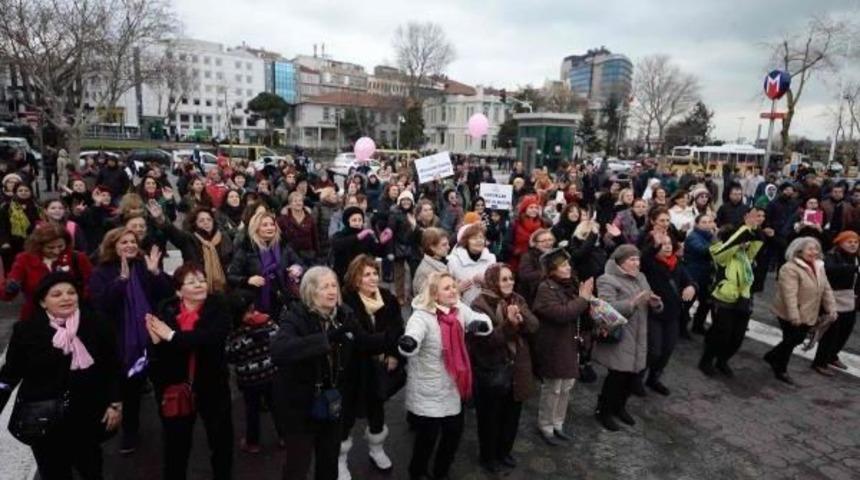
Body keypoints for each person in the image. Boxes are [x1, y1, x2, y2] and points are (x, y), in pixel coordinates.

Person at [0, 272, 122, 480]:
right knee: (54, 473)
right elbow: (10, 374)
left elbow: (112, 366)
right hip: (44, 420)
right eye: (56, 294)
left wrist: (115, 403)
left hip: (88, 415)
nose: (66, 298)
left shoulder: (97, 324)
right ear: (43, 302)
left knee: (92, 470)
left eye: (71, 293)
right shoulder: (27, 331)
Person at [270, 266, 381, 480]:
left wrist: (394, 341)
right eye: (324, 287)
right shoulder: (295, 316)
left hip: (331, 402)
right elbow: (279, 351)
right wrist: (329, 338)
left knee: (329, 460)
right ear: (310, 291)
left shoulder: (343, 313)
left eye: (334, 285)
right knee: (298, 465)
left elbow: (364, 342)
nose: (332, 291)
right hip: (299, 405)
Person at [398, 271, 492, 480]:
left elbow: (478, 319)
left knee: (453, 434)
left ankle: (442, 471)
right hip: (428, 388)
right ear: (434, 294)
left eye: (453, 286)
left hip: (452, 385)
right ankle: (418, 472)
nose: (453, 291)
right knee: (427, 439)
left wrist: (481, 324)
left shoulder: (458, 309)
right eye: (447, 288)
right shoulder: (421, 316)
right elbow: (412, 336)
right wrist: (409, 343)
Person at [144, 264, 234, 480]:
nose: (199, 285)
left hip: (212, 385)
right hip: (175, 387)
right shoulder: (166, 308)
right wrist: (162, 341)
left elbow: (212, 339)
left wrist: (173, 337)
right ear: (178, 290)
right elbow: (156, 347)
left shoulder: (218, 306)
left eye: (202, 280)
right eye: (192, 282)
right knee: (176, 446)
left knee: (220, 442)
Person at [88, 227, 172, 454]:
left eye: (133, 242)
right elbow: (101, 305)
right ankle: (130, 431)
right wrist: (121, 281)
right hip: (123, 339)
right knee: (130, 390)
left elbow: (165, 295)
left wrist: (156, 273)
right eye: (124, 242)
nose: (130, 246)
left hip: (152, 334)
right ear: (112, 246)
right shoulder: (101, 272)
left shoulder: (144, 266)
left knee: (162, 384)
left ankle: (170, 427)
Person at [469, 263, 539, 473]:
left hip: (517, 367)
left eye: (511, 278)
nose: (510, 283)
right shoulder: (479, 305)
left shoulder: (517, 299)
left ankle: (504, 452)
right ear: (493, 281)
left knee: (512, 415)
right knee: (490, 418)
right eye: (504, 279)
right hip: (492, 369)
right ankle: (488, 457)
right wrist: (509, 324)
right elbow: (486, 341)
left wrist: (521, 317)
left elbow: (534, 326)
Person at [339, 255, 404, 477]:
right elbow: (357, 339)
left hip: (379, 368)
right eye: (366, 274)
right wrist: (383, 342)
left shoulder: (388, 298)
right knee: (346, 414)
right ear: (356, 279)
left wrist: (394, 353)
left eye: (375, 273)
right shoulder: (346, 302)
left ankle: (377, 449)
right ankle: (340, 459)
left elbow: (398, 329)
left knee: (377, 410)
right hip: (353, 368)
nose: (373, 278)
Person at [594, 245, 662, 431]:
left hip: (640, 334)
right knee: (617, 377)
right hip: (622, 336)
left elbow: (649, 300)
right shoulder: (607, 279)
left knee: (632, 376)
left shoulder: (641, 277)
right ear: (620, 262)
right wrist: (632, 303)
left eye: (637, 259)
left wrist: (655, 304)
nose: (636, 263)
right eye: (631, 260)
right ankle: (604, 411)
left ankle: (620, 407)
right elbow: (606, 307)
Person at [531, 247, 593, 446]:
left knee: (566, 387)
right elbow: (562, 314)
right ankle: (545, 425)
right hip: (554, 345)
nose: (567, 268)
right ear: (551, 270)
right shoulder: (545, 288)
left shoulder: (571, 284)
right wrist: (583, 299)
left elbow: (579, 313)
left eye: (567, 264)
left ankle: (558, 423)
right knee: (553, 388)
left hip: (570, 343)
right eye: (562, 266)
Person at [699, 209, 764, 377]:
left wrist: (755, 230)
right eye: (742, 240)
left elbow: (757, 243)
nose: (745, 243)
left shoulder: (745, 255)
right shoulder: (718, 250)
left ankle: (722, 360)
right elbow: (727, 249)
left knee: (737, 338)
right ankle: (706, 360)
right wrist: (744, 230)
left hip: (743, 299)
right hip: (724, 299)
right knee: (722, 334)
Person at [765, 237, 836, 384]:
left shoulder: (819, 266)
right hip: (789, 312)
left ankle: (772, 356)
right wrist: (794, 315)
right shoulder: (789, 268)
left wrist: (831, 309)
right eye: (810, 249)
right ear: (799, 251)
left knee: (793, 340)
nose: (814, 252)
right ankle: (781, 369)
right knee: (793, 339)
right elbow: (789, 294)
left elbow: (826, 289)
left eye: (816, 248)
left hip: (809, 312)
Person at [639, 231, 695, 395]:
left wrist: (691, 286)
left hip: (672, 315)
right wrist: (654, 245)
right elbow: (643, 257)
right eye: (663, 245)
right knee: (654, 350)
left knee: (667, 349)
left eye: (670, 244)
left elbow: (689, 280)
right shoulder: (649, 262)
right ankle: (636, 378)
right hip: (653, 313)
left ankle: (653, 379)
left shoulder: (677, 263)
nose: (667, 247)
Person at [1, 223, 93, 321]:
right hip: (36, 316)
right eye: (50, 248)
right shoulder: (24, 259)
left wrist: (74, 296)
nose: (56, 251)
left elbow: (92, 284)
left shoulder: (78, 258)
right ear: (38, 246)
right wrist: (10, 289)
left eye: (60, 246)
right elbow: (6, 294)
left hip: (73, 314)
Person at [227, 211, 304, 318]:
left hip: (284, 298)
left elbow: (300, 264)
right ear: (256, 228)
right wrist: (248, 280)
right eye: (265, 225)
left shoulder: (283, 246)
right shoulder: (246, 249)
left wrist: (297, 269)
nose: (270, 228)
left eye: (272, 224)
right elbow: (231, 276)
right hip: (257, 302)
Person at [151, 205, 233, 293]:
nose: (206, 222)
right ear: (195, 223)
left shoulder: (223, 238)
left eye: (209, 219)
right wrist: (161, 219)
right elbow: (173, 233)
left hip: (223, 287)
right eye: (201, 220)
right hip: (197, 285)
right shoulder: (189, 238)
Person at [813, 230, 859, 375]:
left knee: (846, 330)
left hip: (850, 298)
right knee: (831, 331)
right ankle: (819, 362)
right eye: (849, 242)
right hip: (832, 297)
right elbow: (829, 269)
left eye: (856, 242)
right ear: (840, 242)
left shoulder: (856, 258)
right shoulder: (832, 255)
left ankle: (832, 355)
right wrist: (853, 269)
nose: (853, 245)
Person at [330, 207, 391, 281]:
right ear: (347, 221)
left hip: (362, 273)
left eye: (360, 220)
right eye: (354, 220)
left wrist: (382, 243)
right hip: (343, 273)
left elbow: (377, 252)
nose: (357, 223)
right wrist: (357, 237)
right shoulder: (340, 235)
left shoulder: (367, 236)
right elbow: (337, 245)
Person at [446, 223, 496, 305]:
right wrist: (457, 289)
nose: (479, 240)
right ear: (465, 241)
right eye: (474, 238)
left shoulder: (491, 259)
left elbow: (497, 288)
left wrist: (486, 283)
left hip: (486, 308)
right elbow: (444, 290)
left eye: (481, 237)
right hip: (462, 309)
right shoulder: (453, 261)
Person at [683, 214, 717, 335]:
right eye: (704, 222)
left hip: (706, 274)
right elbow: (703, 250)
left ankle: (698, 325)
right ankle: (681, 327)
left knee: (706, 302)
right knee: (688, 302)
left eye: (709, 222)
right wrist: (715, 240)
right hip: (694, 274)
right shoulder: (693, 236)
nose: (707, 224)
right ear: (697, 224)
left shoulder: (710, 236)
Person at [0, 182, 41, 270]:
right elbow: (2, 226)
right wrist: (4, 242)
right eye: (20, 190)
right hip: (13, 242)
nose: (23, 192)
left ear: (31, 192)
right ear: (15, 192)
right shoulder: (6, 207)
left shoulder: (36, 206)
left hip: (32, 241)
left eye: (26, 190)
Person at [516, 228, 556, 305]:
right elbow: (524, 276)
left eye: (550, 240)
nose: (548, 243)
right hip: (533, 297)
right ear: (535, 243)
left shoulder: (556, 254)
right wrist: (548, 272)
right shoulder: (528, 256)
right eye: (543, 241)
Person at [278, 191, 319, 265]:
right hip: (291, 256)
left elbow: (314, 237)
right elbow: (280, 238)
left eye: (300, 200)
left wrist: (316, 253)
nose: (298, 203)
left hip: (308, 255)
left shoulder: (309, 218)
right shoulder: (283, 219)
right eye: (295, 201)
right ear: (290, 204)